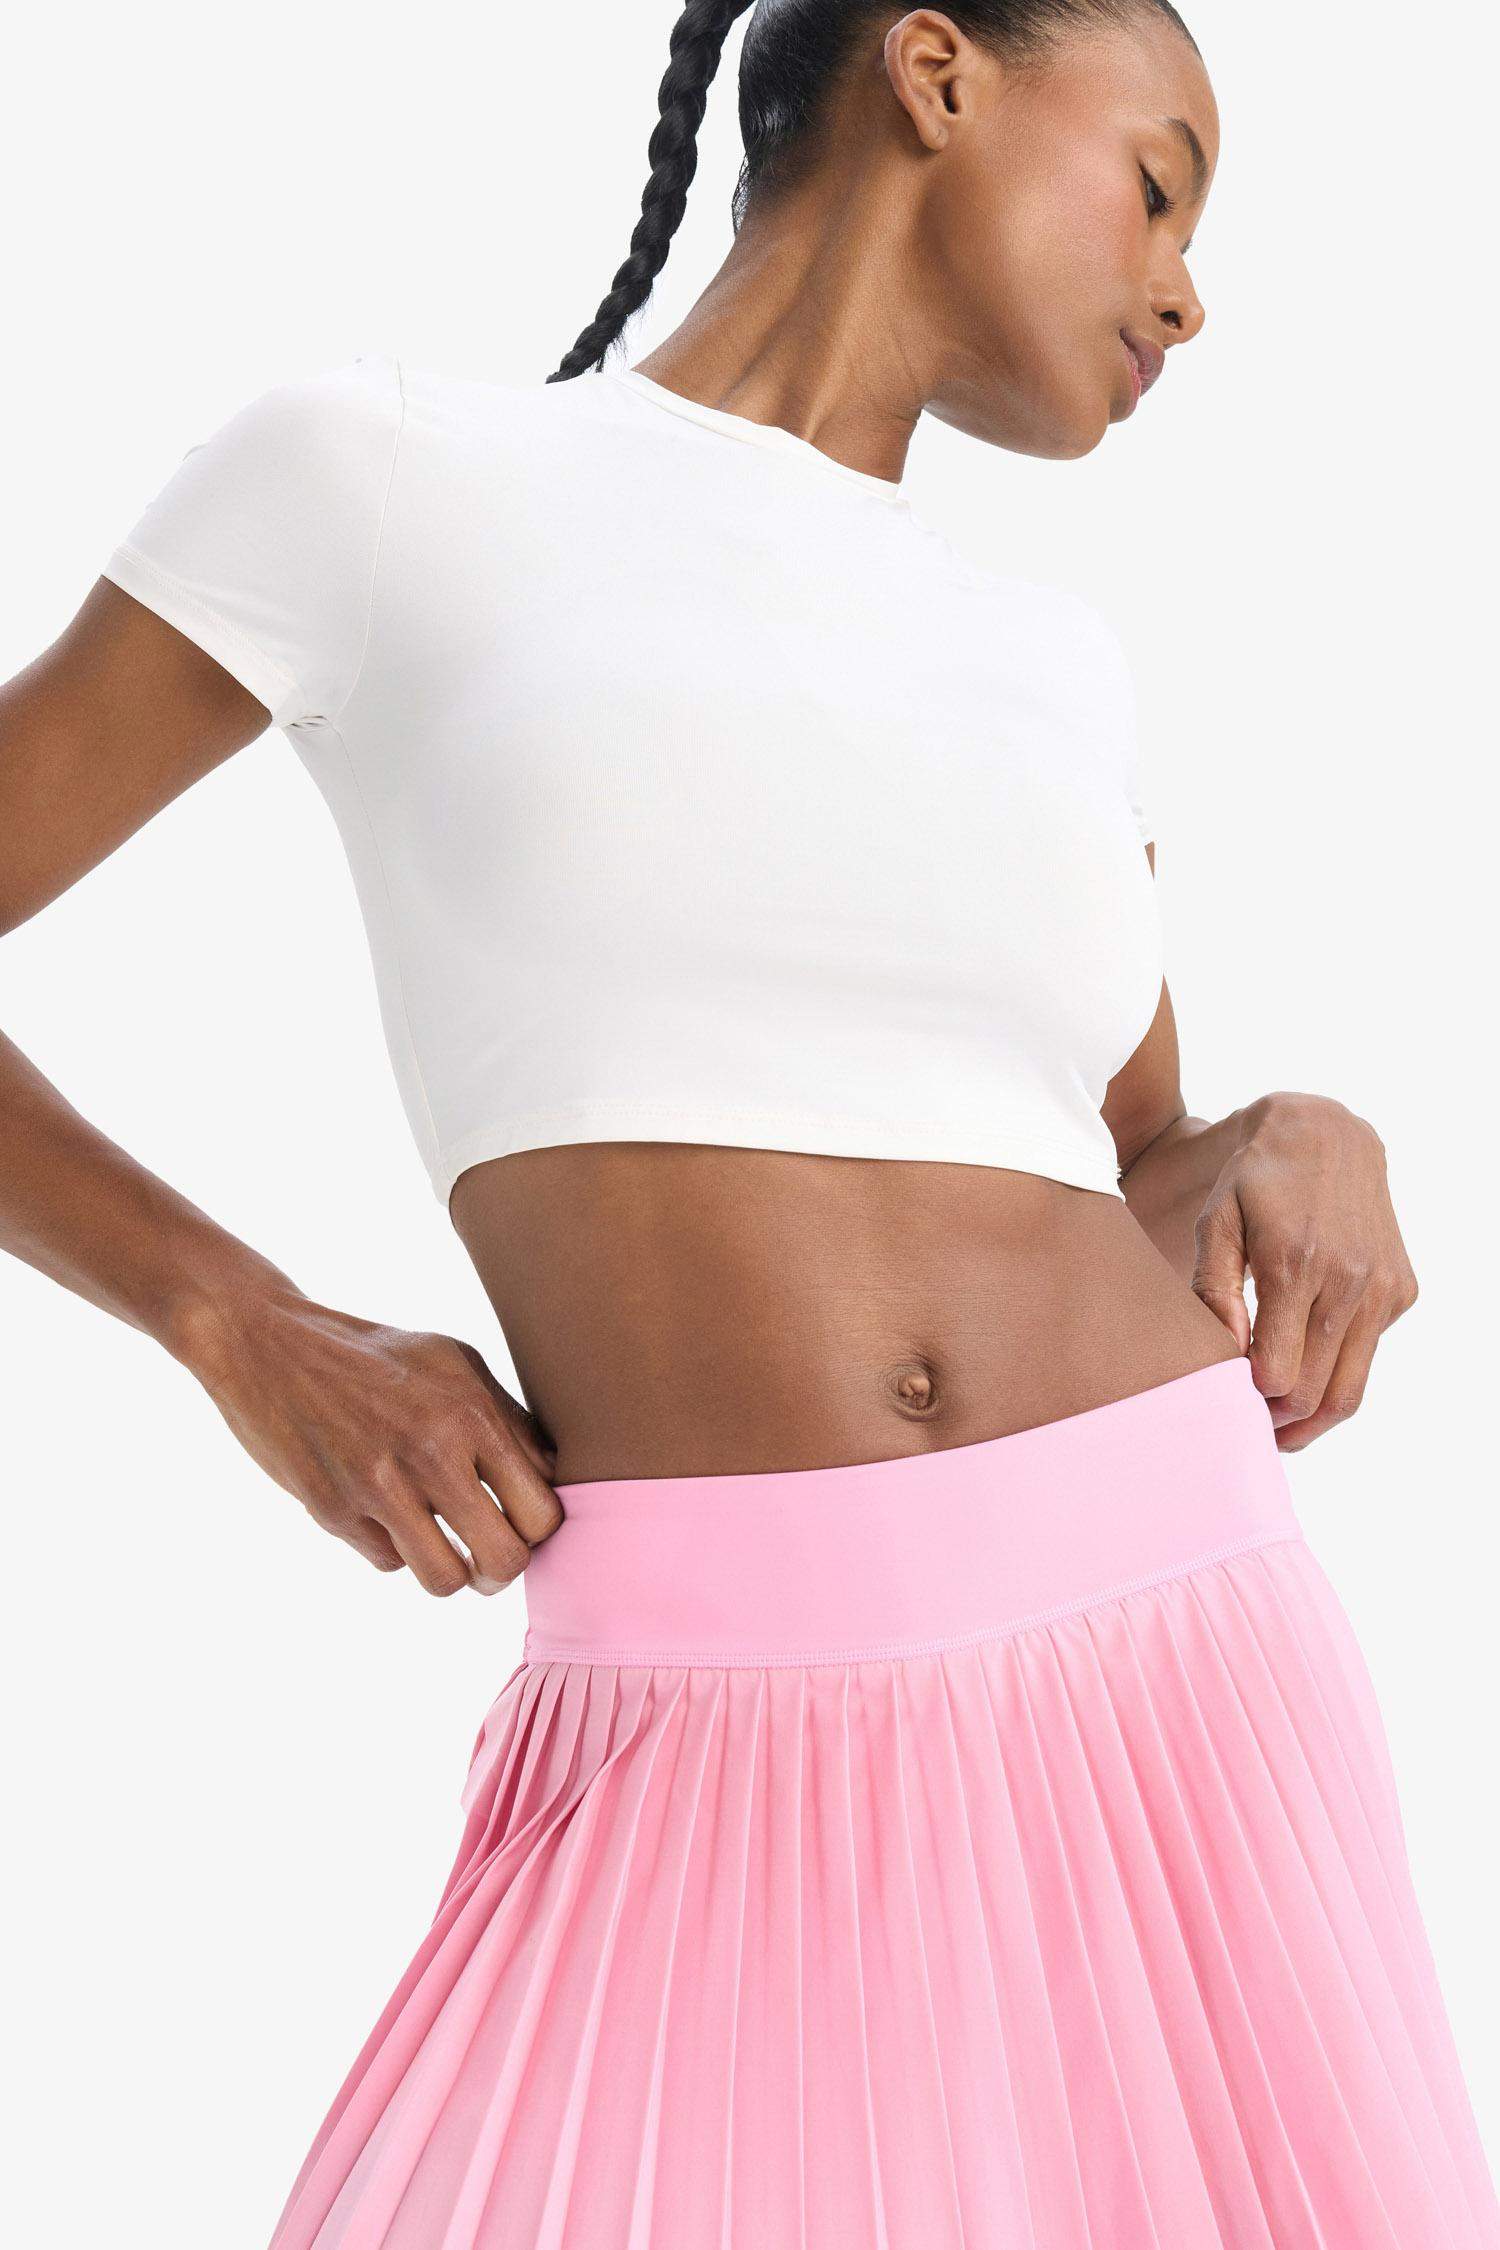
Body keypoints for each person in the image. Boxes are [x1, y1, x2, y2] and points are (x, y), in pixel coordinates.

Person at [2, 1, 1495, 2243]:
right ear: (937, 69)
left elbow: (1129, 1162)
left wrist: (1304, 1126)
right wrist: (242, 1321)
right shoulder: (379, 482)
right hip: (690, 1709)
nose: (1187, 293)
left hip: (1182, 1660)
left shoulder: (1046, 660)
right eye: (1161, 187)